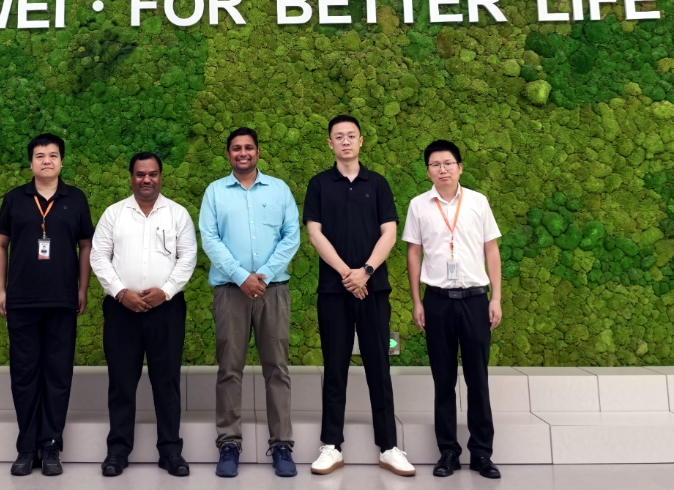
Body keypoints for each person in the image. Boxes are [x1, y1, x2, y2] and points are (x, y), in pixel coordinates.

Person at [302, 115, 415, 477]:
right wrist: (346, 274)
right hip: (333, 291)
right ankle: (331, 445)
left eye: (351, 135)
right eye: (339, 137)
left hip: (373, 289)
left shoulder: (377, 183)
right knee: (334, 366)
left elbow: (389, 233)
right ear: (330, 143)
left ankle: (389, 447)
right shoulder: (319, 184)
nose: (346, 141)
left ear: (361, 141)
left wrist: (365, 271)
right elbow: (315, 234)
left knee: (378, 367)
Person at [199, 127, 300, 478]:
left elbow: (292, 236)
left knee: (277, 368)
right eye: (236, 148)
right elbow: (210, 239)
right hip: (231, 291)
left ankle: (282, 444)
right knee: (229, 369)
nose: (243, 153)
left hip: (274, 291)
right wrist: (242, 276)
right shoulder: (215, 192)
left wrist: (264, 275)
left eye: (249, 147)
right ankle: (229, 443)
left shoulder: (279, 189)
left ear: (258, 151)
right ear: (228, 154)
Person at [89, 152, 197, 478]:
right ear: (131, 177)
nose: (146, 179)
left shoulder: (177, 214)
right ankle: (117, 451)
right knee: (122, 382)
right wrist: (121, 292)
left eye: (152, 174)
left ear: (161, 177)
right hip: (122, 310)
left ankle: (171, 452)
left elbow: (188, 257)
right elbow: (99, 256)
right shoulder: (114, 214)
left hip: (167, 309)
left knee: (167, 382)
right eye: (140, 174)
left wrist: (166, 290)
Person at [0, 134, 94, 477]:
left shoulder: (75, 199)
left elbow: (86, 246)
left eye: (52, 155)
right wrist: (2, 289)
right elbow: (0, 245)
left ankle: (51, 445)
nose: (46, 160)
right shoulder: (14, 199)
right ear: (31, 162)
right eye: (40, 155)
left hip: (62, 300)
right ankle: (26, 446)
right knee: (24, 375)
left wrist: (82, 288)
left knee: (58, 374)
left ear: (61, 161)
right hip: (22, 300)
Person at [403, 140, 503, 480]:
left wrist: (495, 298)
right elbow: (413, 253)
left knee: (478, 380)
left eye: (448, 163)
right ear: (428, 170)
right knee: (443, 380)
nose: (442, 169)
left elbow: (491, 250)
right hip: (437, 301)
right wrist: (417, 301)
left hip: (475, 300)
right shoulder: (418, 205)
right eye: (435, 164)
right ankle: (448, 451)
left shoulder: (478, 202)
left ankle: (482, 453)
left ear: (460, 167)